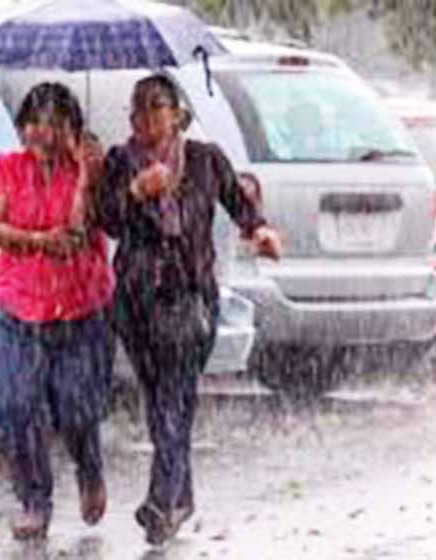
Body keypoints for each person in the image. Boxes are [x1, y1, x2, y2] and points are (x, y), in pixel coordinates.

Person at [95, 74, 283, 545]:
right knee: (159, 398)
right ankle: (182, 497)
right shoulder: (120, 161)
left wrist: (260, 231)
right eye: (137, 109)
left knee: (176, 393)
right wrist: (135, 191)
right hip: (137, 299)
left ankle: (162, 501)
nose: (145, 117)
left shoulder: (204, 159)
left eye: (155, 106)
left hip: (191, 295)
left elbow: (240, 204)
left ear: (177, 114)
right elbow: (107, 221)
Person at [0, 82, 114, 540]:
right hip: (17, 308)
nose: (45, 133)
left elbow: (79, 231)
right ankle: (34, 501)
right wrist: (39, 241)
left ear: (74, 130)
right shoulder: (8, 167)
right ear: (22, 127)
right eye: (36, 122)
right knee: (16, 405)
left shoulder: (90, 172)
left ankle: (90, 469)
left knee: (76, 409)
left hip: (80, 309)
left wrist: (86, 177)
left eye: (57, 123)